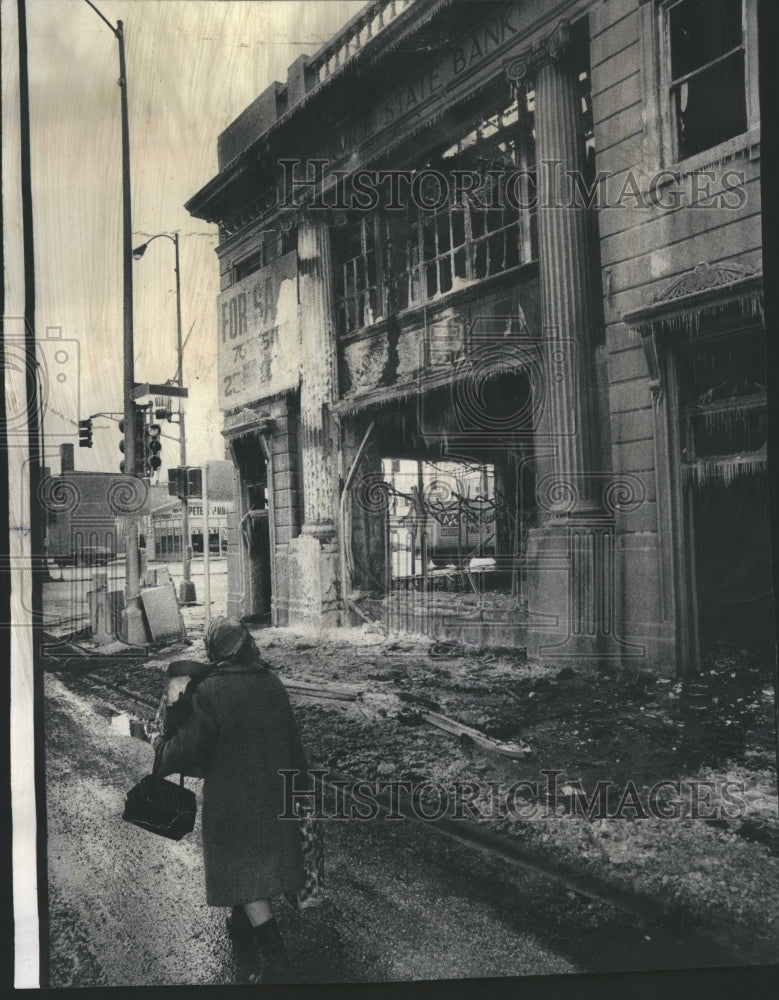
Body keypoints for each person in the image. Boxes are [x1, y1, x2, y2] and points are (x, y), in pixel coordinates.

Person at [153, 616, 310, 984]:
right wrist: (300, 792)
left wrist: (160, 747)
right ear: (248, 645)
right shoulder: (272, 683)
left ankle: (277, 965)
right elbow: (294, 742)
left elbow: (187, 747)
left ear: (215, 650)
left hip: (234, 803)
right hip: (275, 796)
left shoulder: (210, 692)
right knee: (252, 868)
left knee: (245, 874)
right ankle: (240, 923)